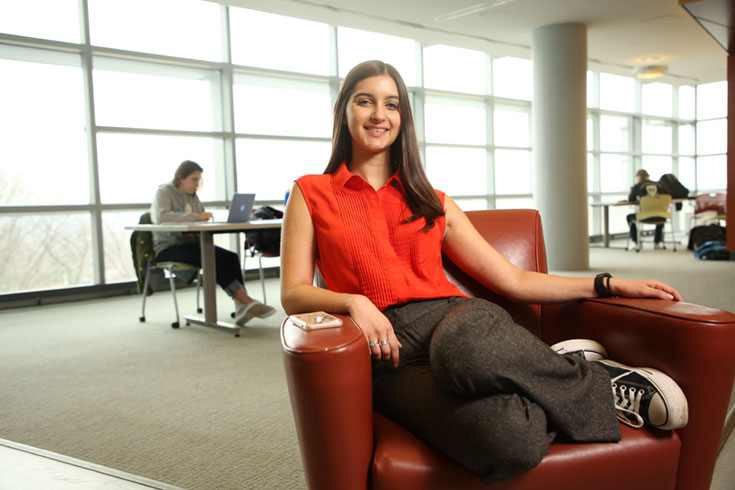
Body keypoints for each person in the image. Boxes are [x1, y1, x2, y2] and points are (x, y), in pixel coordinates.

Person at [280, 61, 688, 484]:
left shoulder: (433, 201)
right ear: (344, 110)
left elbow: (513, 280)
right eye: (365, 101)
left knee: (465, 353)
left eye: (392, 105)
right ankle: (552, 369)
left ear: (403, 120)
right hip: (388, 358)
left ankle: (593, 381)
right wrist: (352, 301)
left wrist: (606, 283)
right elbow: (292, 292)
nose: (379, 114)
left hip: (454, 322)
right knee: (512, 442)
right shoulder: (310, 192)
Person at [151, 160, 275, 326]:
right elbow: (162, 217)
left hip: (192, 244)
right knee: (212, 257)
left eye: (199, 179)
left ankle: (241, 306)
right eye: (194, 179)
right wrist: (197, 217)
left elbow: (201, 217)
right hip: (169, 248)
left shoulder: (193, 198)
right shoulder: (164, 192)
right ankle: (245, 300)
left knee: (230, 257)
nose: (197, 184)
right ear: (181, 178)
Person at [626, 169, 664, 249]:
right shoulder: (659, 185)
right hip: (660, 215)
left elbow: (630, 198)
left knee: (629, 217)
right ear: (648, 176)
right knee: (660, 215)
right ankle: (657, 242)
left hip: (645, 215)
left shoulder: (638, 186)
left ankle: (637, 242)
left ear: (638, 177)